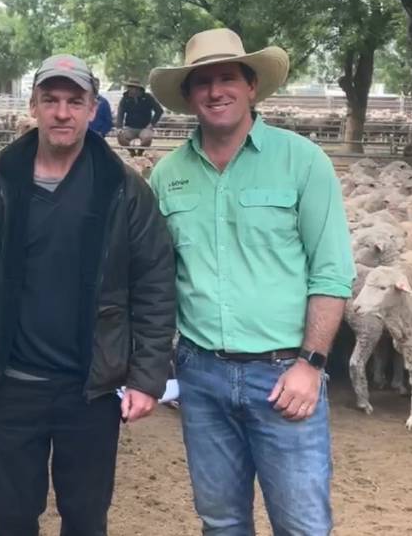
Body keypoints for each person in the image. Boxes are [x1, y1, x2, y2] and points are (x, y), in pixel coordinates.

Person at [0, 54, 176, 536]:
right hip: (11, 383)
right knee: (9, 515)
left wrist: (147, 376)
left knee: (86, 516)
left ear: (94, 110)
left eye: (75, 101)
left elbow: (153, 282)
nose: (62, 113)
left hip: (90, 388)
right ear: (33, 106)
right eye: (51, 100)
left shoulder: (123, 190)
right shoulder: (0, 185)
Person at [147, 28, 356, 536]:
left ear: (251, 86)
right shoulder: (167, 175)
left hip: (284, 376)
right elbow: (153, 276)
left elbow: (331, 271)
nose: (215, 91)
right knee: (220, 522)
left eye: (227, 79)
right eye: (203, 83)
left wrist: (310, 364)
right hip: (201, 376)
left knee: (302, 525)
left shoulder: (302, 161)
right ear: (189, 95)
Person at [115, 78, 163, 156]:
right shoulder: (125, 99)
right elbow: (120, 113)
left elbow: (159, 111)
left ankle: (140, 152)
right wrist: (119, 127)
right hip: (130, 127)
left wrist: (151, 124)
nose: (129, 89)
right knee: (120, 137)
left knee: (147, 138)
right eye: (129, 87)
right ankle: (132, 152)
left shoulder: (148, 97)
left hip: (145, 127)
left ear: (138, 89)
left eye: (131, 87)